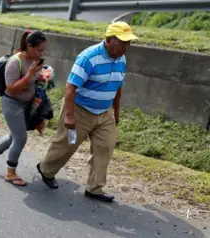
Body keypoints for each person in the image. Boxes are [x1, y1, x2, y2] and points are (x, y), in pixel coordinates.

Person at [36, 21, 138, 202]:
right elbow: (70, 88)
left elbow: (118, 87)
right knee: (65, 145)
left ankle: (95, 188)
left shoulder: (121, 59)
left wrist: (116, 111)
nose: (126, 46)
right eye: (122, 42)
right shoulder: (88, 57)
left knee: (105, 147)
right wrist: (69, 115)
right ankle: (46, 170)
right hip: (79, 109)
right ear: (109, 40)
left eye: (128, 42)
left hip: (105, 112)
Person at [0, 30, 48, 187]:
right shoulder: (15, 62)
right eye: (39, 50)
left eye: (43, 51)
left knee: (14, 135)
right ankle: (10, 172)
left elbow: (32, 80)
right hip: (12, 103)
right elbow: (11, 89)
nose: (41, 54)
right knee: (21, 138)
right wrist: (30, 74)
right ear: (29, 46)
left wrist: (42, 76)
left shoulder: (34, 61)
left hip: (27, 104)